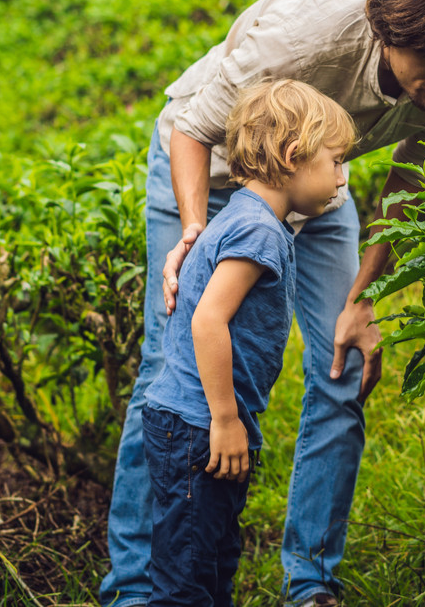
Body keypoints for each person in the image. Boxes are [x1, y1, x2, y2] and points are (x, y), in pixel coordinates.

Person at [100, 0, 425, 607]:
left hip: (318, 182)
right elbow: (193, 129)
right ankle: (137, 588)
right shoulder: (305, 39)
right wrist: (197, 233)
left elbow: (415, 174)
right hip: (212, 168)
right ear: (384, 34)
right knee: (167, 371)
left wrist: (365, 297)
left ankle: (312, 582)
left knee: (343, 367)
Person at [142, 79, 356, 607]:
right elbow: (208, 322)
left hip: (194, 424)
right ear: (292, 155)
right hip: (198, 427)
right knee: (187, 577)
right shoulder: (257, 231)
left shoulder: (242, 216)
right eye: (335, 163)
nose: (342, 179)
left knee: (212, 557)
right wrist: (225, 419)